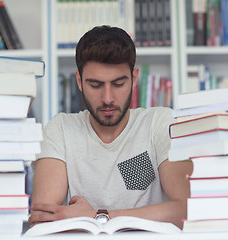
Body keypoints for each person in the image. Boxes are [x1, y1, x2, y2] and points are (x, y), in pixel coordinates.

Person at [28, 25, 192, 229]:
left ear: (134, 78)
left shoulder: (159, 124)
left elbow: (187, 209)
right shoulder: (61, 129)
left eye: (118, 84)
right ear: (79, 81)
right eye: (95, 85)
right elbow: (43, 219)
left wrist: (97, 216)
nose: (107, 98)